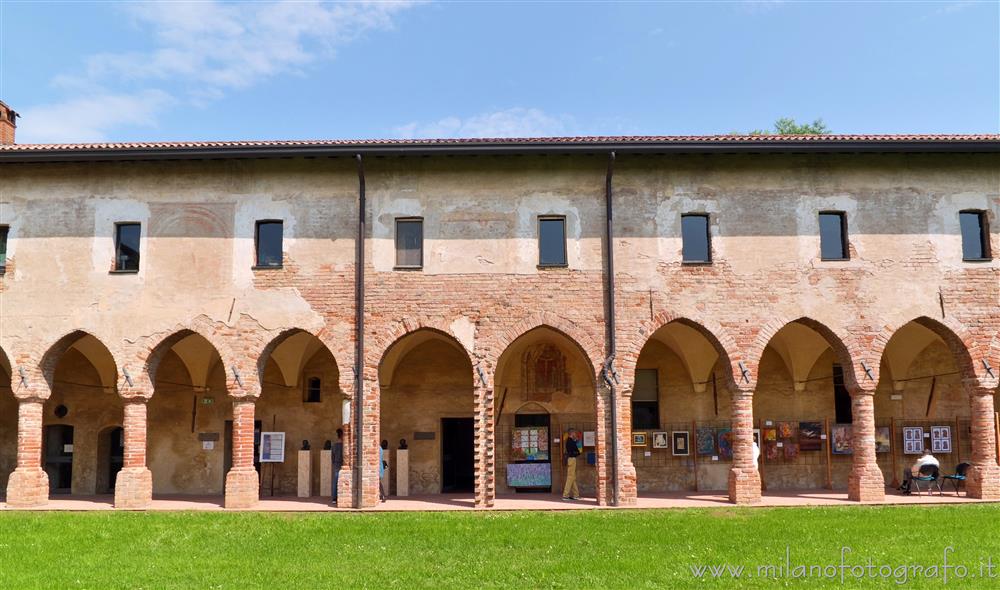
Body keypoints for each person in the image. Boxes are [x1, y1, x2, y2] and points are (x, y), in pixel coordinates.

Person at [562, 429, 582, 500]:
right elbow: (578, 451)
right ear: (572, 433)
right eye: (574, 433)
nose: (575, 434)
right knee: (570, 477)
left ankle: (576, 495)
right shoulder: (571, 441)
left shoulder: (568, 441)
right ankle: (565, 495)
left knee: (573, 477)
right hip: (572, 459)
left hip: (570, 459)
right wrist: (577, 442)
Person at [330, 428, 344, 504]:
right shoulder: (344, 446)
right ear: (342, 436)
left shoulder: (334, 446)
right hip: (342, 464)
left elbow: (332, 457)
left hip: (336, 464)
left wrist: (334, 463)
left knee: (335, 481)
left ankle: (334, 498)